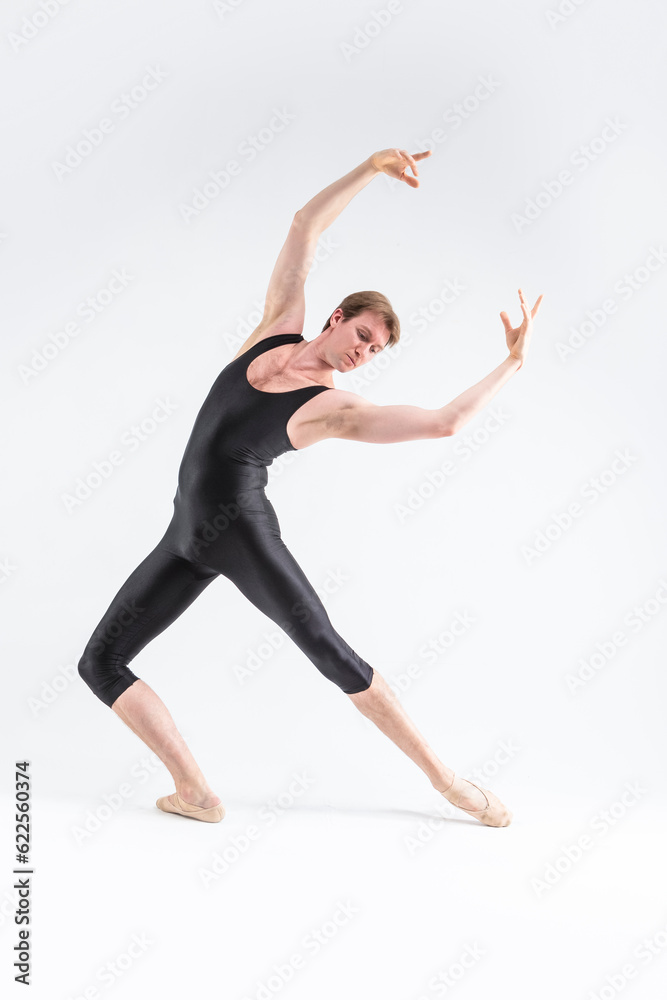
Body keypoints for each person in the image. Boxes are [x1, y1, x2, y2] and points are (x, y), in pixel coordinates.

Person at [77, 147, 543, 827]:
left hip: (241, 531)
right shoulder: (273, 329)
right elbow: (303, 226)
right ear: (334, 318)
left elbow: (444, 424)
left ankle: (450, 784)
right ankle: (196, 793)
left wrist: (512, 363)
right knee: (100, 663)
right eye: (361, 334)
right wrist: (369, 168)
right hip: (183, 537)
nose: (363, 352)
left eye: (375, 350)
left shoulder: (334, 407)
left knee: (328, 650)